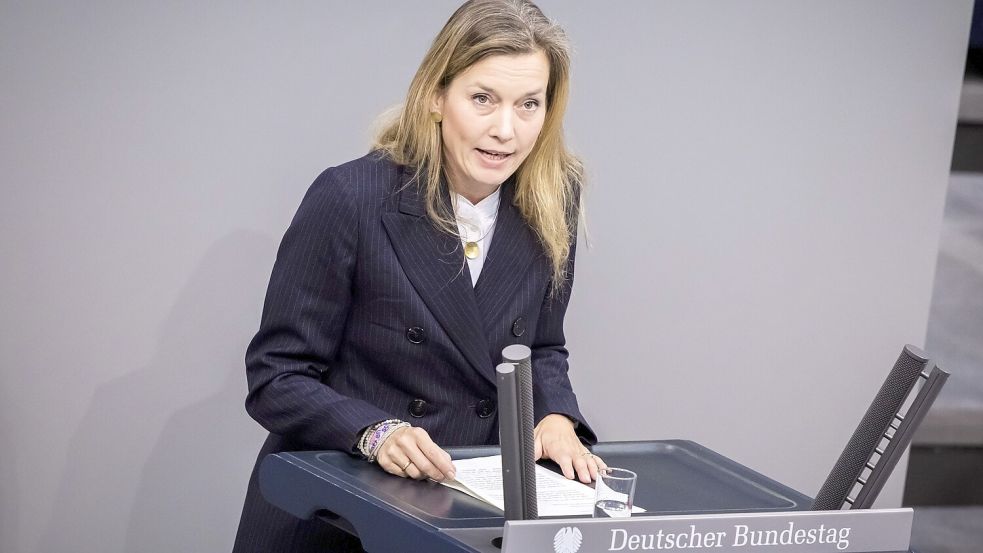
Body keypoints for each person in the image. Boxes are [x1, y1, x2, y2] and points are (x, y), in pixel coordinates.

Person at [232, 1, 602, 551]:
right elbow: (276, 377)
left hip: (458, 513)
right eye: (483, 99)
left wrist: (554, 416)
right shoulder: (351, 197)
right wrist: (375, 432)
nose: (506, 130)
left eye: (529, 104)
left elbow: (541, 347)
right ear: (435, 96)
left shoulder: (552, 199)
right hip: (338, 517)